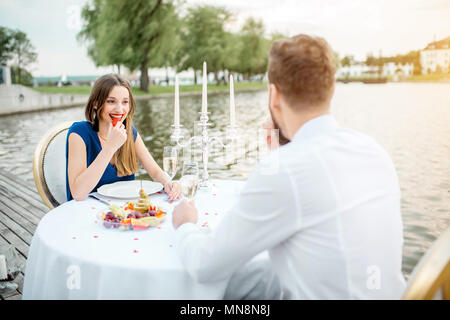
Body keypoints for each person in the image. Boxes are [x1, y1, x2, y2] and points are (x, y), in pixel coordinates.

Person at [172, 34, 406, 299]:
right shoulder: (373, 151)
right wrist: (281, 155)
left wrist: (186, 226)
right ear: (330, 89)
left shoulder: (287, 170)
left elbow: (205, 265)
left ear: (274, 95)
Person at [66, 74, 180, 201]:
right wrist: (110, 147)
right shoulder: (79, 133)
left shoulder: (130, 133)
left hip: (122, 213)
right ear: (96, 104)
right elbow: (78, 193)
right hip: (83, 213)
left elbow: (155, 172)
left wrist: (168, 183)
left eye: (125, 102)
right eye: (111, 101)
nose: (119, 109)